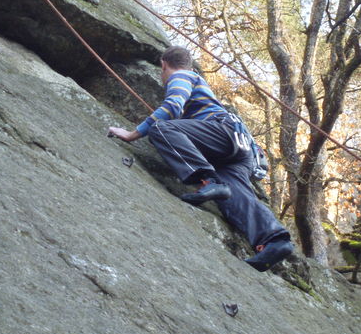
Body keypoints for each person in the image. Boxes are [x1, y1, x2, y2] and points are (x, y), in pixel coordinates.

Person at [108, 46, 294, 272]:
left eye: (161, 71)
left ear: (163, 65)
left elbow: (174, 104)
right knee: (235, 194)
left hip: (221, 133)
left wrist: (132, 134)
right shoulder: (201, 86)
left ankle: (208, 180)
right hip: (238, 148)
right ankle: (274, 241)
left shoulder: (181, 76)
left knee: (160, 129)